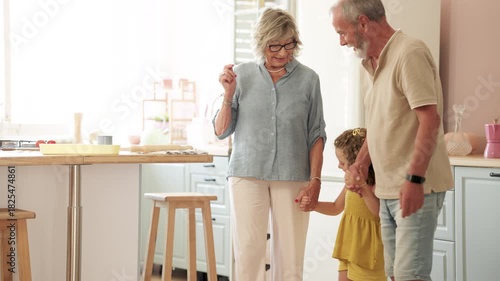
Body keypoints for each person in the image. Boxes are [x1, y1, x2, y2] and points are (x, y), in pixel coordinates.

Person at [329, 1, 454, 281]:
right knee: (395, 275)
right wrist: (360, 163)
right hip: (386, 188)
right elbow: (379, 126)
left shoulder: (409, 52)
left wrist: (414, 179)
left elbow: (430, 120)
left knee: (410, 275)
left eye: (342, 32)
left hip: (414, 185)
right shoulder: (370, 64)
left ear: (363, 23)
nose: (341, 42)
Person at [213, 7, 327, 281]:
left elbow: (316, 133)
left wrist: (315, 179)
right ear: (262, 42)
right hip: (246, 172)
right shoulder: (241, 75)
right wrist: (228, 94)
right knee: (249, 252)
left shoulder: (308, 80)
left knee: (290, 257)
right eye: (275, 45)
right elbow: (221, 131)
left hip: (293, 174)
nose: (283, 52)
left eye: (289, 44)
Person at [300, 128, 386, 281]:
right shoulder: (348, 184)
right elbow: (335, 207)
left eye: (342, 162)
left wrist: (362, 186)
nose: (339, 166)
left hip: (368, 253)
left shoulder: (377, 184)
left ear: (355, 162)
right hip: (349, 248)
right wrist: (313, 205)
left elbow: (379, 213)